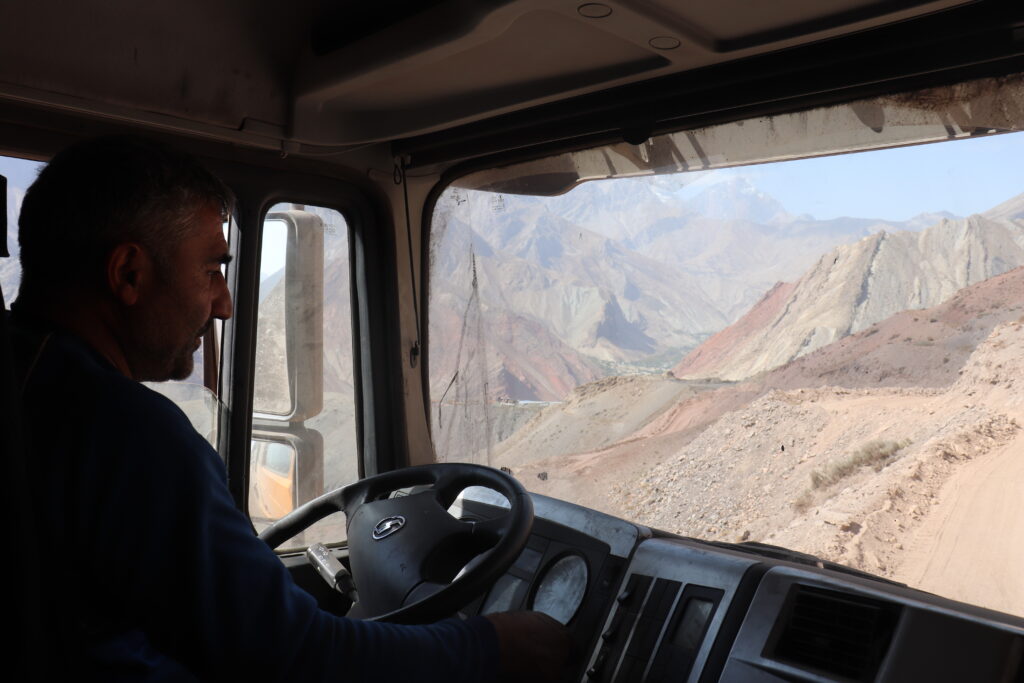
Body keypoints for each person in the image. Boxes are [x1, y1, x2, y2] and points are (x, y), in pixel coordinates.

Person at [9, 136, 569, 681]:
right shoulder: (129, 437)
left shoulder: (33, 379)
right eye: (210, 270)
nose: (225, 303)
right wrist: (489, 647)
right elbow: (292, 657)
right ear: (129, 273)